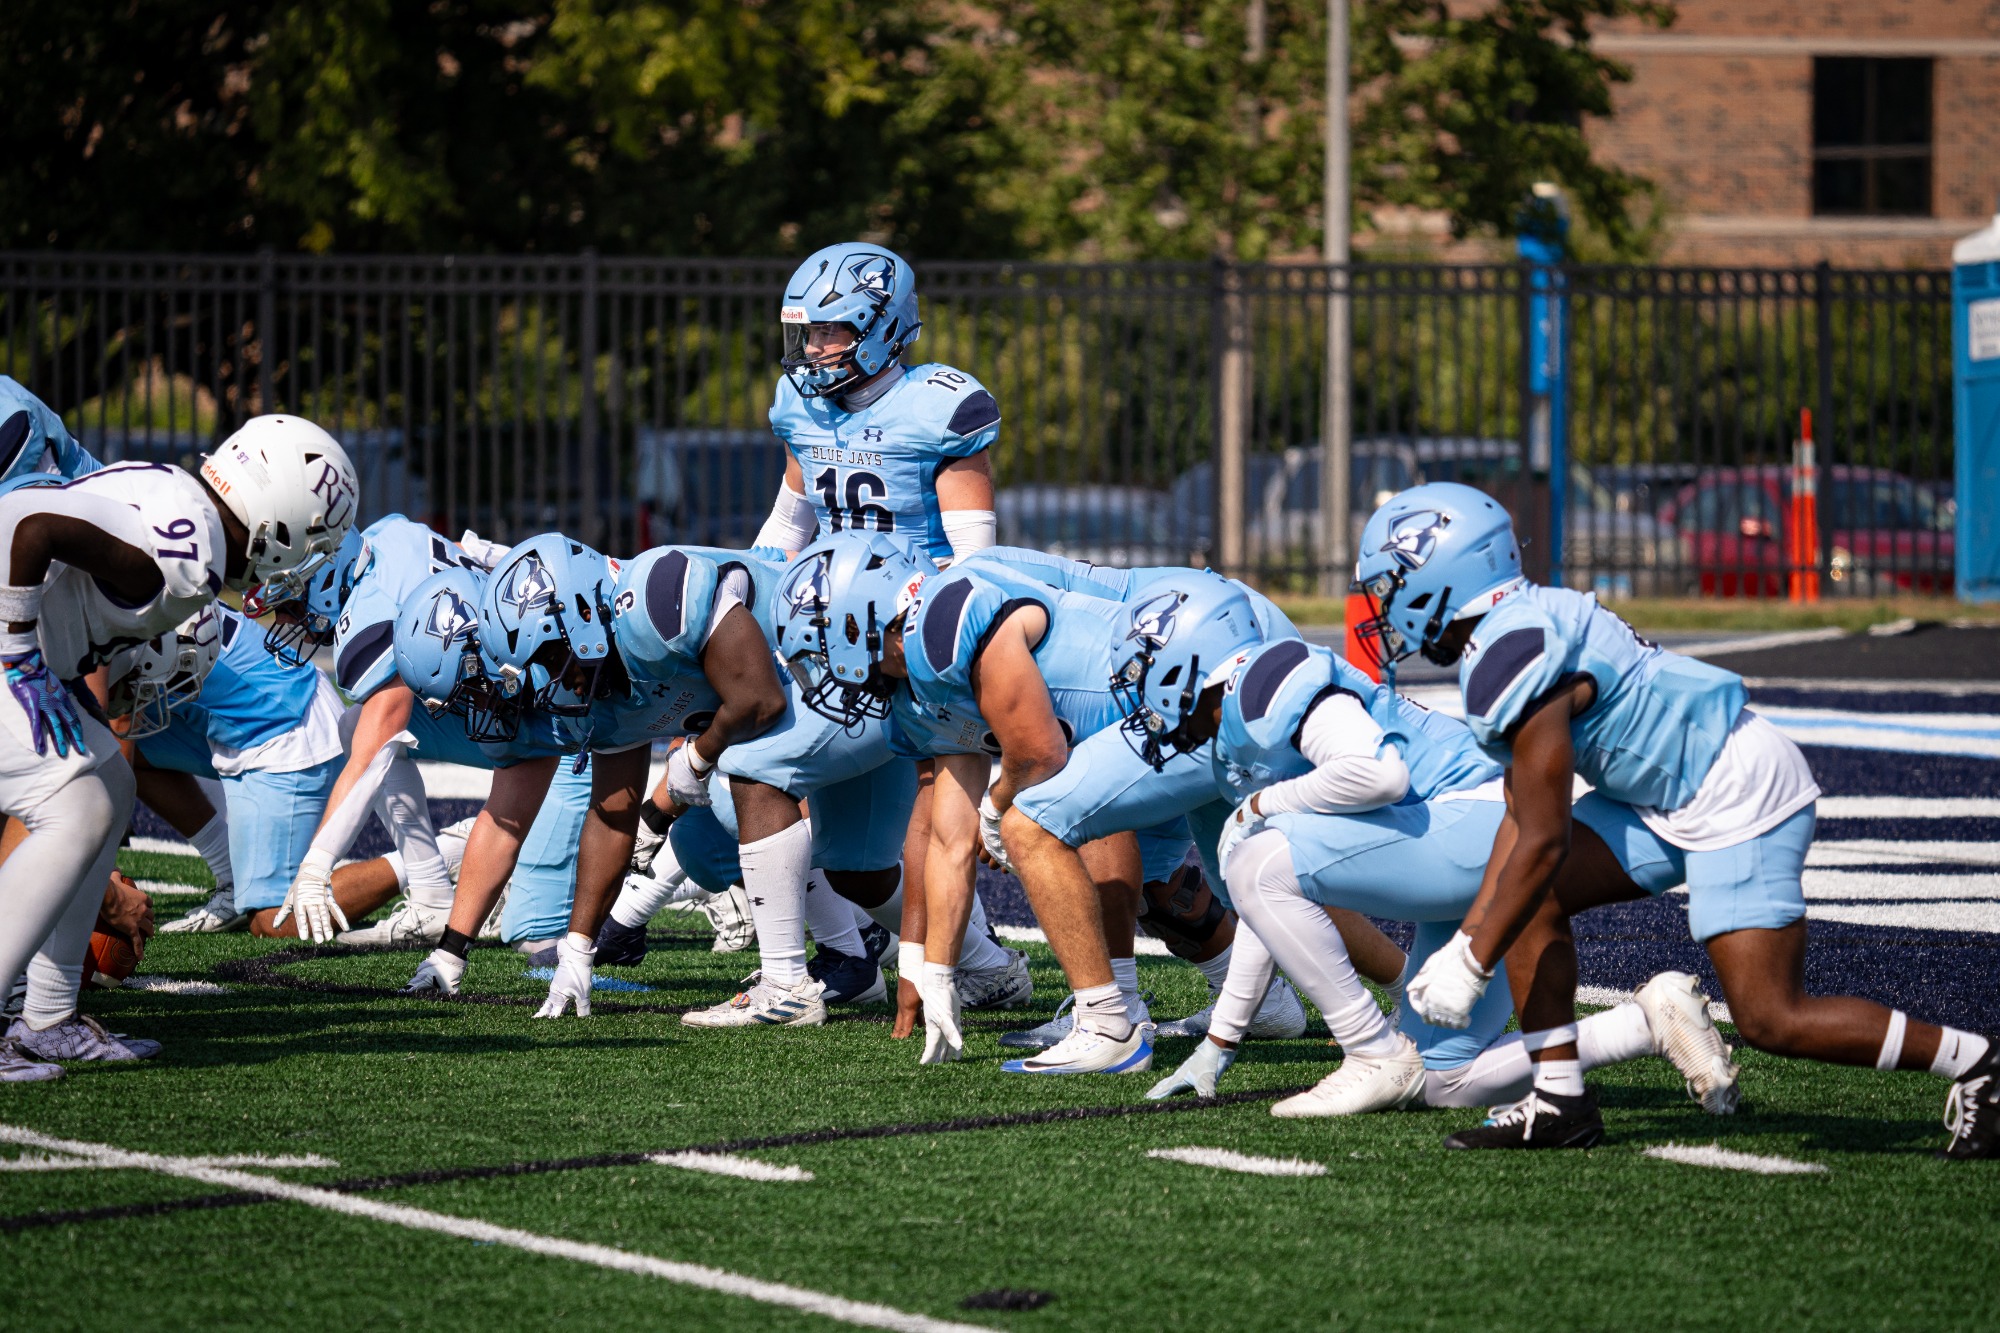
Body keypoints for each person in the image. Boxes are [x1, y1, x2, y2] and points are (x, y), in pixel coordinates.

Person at [1352, 481, 2000, 1156]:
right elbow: (1521, 817)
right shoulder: (1515, 626)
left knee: (1772, 1016)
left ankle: (1979, 1060)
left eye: (1393, 583)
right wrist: (1472, 938)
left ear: (1439, 572)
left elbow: (1543, 837)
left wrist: (1473, 960)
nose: (1387, 606)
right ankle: (1558, 1098)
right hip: (1661, 789)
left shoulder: (1512, 652)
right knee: (1529, 894)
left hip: (1731, 786)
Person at [1116, 575, 1737, 1118]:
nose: (1141, 696)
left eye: (1147, 671)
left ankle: (1369, 1053)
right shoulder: (1233, 733)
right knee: (1443, 1078)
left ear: (1190, 659)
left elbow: (1379, 774)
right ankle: (1650, 1021)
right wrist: (1217, 1047)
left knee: (1256, 852)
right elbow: (1264, 910)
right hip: (1472, 834)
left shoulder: (1264, 682)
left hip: (1483, 823)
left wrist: (1261, 806)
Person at [0, 414, 357, 1071]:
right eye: (315, 539)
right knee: (75, 799)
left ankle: (46, 1017)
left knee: (109, 778)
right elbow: (26, 519)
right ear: (278, 524)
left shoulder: (187, 510)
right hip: (9, 630)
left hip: (27, 634)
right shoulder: (191, 549)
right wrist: (16, 647)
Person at [247, 516, 490, 947]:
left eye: (290, 602)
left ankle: (505, 848)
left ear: (322, 580)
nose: (285, 618)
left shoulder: (369, 614)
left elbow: (370, 757)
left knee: (537, 937)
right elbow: (470, 549)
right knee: (356, 723)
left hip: (558, 744)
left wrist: (316, 866)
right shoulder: (388, 532)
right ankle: (432, 893)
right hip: (517, 711)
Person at [757, 242, 998, 567]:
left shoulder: (937, 408)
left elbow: (974, 559)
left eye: (826, 331)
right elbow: (788, 529)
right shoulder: (800, 406)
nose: (812, 348)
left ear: (882, 329)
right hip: (826, 590)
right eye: (808, 333)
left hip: (919, 595)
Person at [124, 605, 343, 938]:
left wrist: (102, 884)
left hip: (287, 728)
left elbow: (109, 749)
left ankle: (430, 867)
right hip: (237, 715)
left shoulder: (93, 612)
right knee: (115, 741)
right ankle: (231, 877)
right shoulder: (119, 592)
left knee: (273, 921)